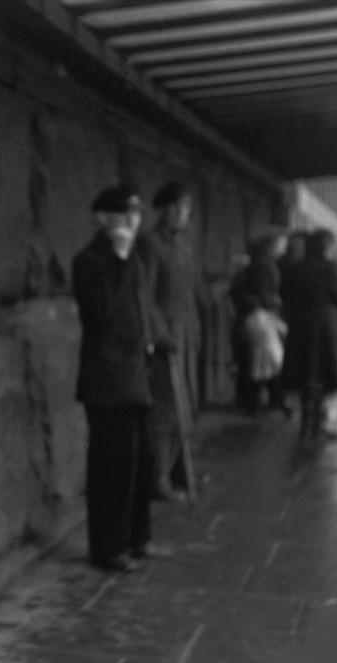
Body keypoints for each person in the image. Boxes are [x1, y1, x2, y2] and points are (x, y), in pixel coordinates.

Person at [72, 183, 168, 573]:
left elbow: (142, 307)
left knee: (140, 460)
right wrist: (121, 257)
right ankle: (108, 547)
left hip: (134, 374)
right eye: (127, 215)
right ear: (107, 220)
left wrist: (156, 338)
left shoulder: (133, 261)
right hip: (106, 379)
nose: (134, 221)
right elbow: (102, 311)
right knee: (111, 466)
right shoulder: (90, 261)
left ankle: (136, 538)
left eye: (136, 214)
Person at [136, 182, 202, 502]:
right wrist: (160, 333)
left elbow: (188, 294)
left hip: (184, 336)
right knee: (165, 410)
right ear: (161, 210)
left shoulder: (183, 246)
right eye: (175, 207)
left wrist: (196, 329)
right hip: (164, 340)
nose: (181, 214)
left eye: (186, 207)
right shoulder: (150, 245)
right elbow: (145, 295)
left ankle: (176, 469)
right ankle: (157, 477)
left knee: (184, 408)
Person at [280, 229, 337, 440]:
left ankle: (306, 419)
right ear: (326, 247)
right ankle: (318, 418)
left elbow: (284, 294)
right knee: (320, 372)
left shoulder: (294, 268)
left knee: (306, 371)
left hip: (300, 325)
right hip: (325, 327)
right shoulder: (331, 268)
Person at [228, 230, 291, 416]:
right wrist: (274, 303)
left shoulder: (257, 263)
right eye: (281, 244)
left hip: (252, 317)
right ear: (271, 246)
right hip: (260, 317)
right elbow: (264, 293)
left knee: (257, 360)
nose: (284, 248)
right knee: (266, 360)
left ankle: (256, 400)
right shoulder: (265, 266)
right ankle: (262, 401)